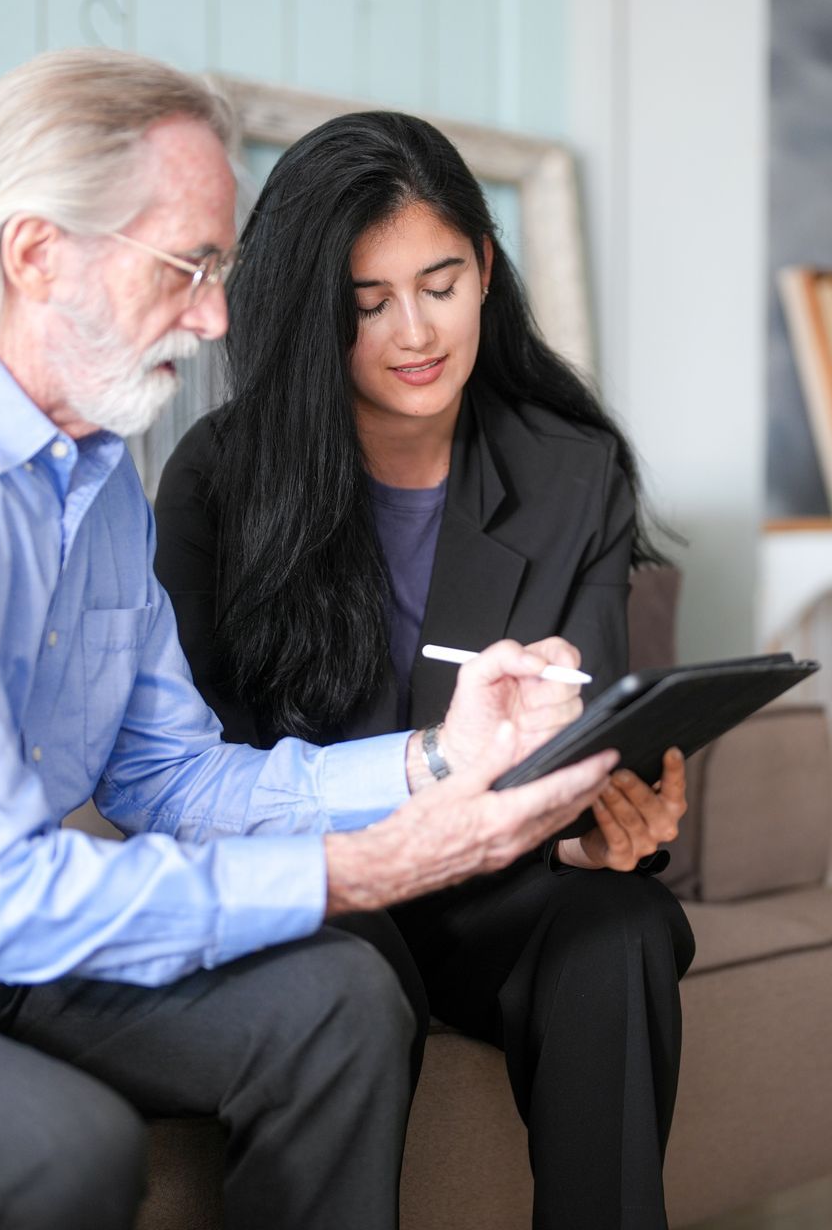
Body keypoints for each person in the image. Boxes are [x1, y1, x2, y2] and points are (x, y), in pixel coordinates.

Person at [0, 50, 617, 1230]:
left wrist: (438, 756)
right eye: (188, 267)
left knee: (339, 1000)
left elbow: (169, 774)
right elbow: (1, 887)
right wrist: (364, 866)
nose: (220, 315)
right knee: (58, 1150)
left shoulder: (94, 475)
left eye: (220, 270)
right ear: (36, 253)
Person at [151, 110, 695, 1230]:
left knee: (622, 931)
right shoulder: (219, 480)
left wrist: (609, 820)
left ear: (487, 270)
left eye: (441, 283)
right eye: (367, 304)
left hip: (502, 882)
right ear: (312, 314)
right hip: (333, 882)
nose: (414, 331)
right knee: (339, 973)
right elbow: (191, 775)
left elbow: (584, 727)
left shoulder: (570, 469)